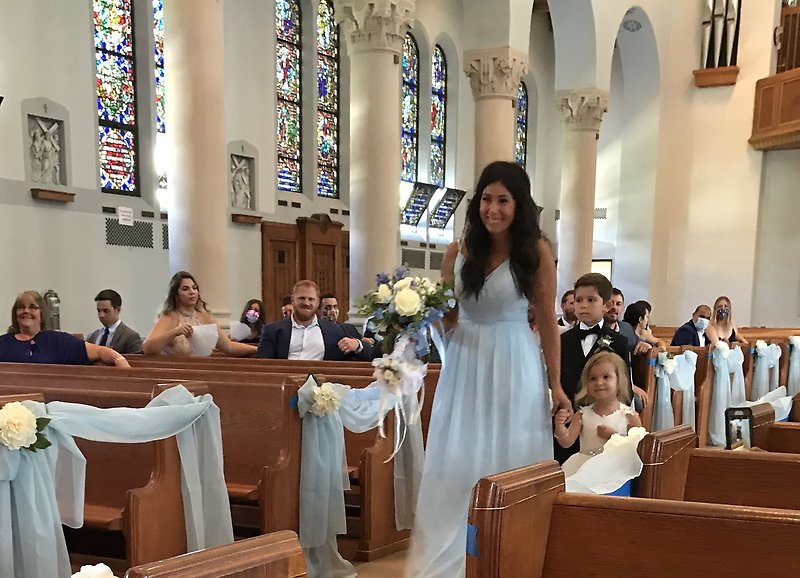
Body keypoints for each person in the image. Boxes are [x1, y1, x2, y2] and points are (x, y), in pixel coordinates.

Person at [407, 161, 571, 577]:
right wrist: (413, 317)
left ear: (519, 205)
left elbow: (548, 321)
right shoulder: (458, 251)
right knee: (458, 454)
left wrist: (555, 384)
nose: (492, 209)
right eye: (486, 199)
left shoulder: (536, 252)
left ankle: (509, 552)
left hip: (514, 360)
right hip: (464, 361)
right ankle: (454, 554)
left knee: (508, 453)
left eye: (503, 200)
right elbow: (448, 316)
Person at [558, 273, 635, 464]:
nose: (583, 305)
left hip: (603, 419)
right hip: (570, 416)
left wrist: (612, 414)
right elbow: (557, 378)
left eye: (591, 300)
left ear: (606, 305)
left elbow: (624, 383)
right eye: (579, 300)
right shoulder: (563, 340)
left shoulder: (618, 342)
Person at [554, 351, 642, 475]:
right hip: (585, 468)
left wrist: (614, 437)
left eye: (606, 377)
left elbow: (638, 447)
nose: (599, 383)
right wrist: (560, 427)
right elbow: (566, 442)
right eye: (593, 378)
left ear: (618, 381)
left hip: (616, 469)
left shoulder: (629, 416)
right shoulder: (582, 415)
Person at [0, 290, 130, 366]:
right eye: (21, 307)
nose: (26, 311)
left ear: (42, 313)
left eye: (33, 307)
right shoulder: (3, 343)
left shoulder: (58, 341)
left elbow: (100, 351)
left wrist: (120, 360)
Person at [142, 271, 257, 357]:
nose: (192, 292)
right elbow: (148, 348)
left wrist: (256, 349)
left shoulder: (206, 317)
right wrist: (174, 332)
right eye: (185, 289)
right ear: (176, 294)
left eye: (194, 288)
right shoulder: (170, 317)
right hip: (176, 371)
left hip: (202, 369)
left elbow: (229, 347)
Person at [257, 280, 373, 360]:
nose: (306, 303)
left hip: (322, 384)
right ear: (293, 300)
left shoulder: (335, 330)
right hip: (283, 382)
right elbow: (263, 365)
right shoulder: (272, 330)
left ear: (317, 302)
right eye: (302, 298)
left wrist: (357, 344)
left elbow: (369, 354)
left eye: (311, 299)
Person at [86, 289, 143, 354]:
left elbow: (135, 360)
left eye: (106, 311)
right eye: (99, 311)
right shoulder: (92, 336)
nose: (101, 315)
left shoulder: (130, 336)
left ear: (118, 310)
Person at [606, 288, 650, 355]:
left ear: (623, 308)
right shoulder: (594, 328)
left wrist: (646, 346)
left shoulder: (627, 328)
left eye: (618, 304)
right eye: (610, 303)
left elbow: (638, 343)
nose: (614, 307)